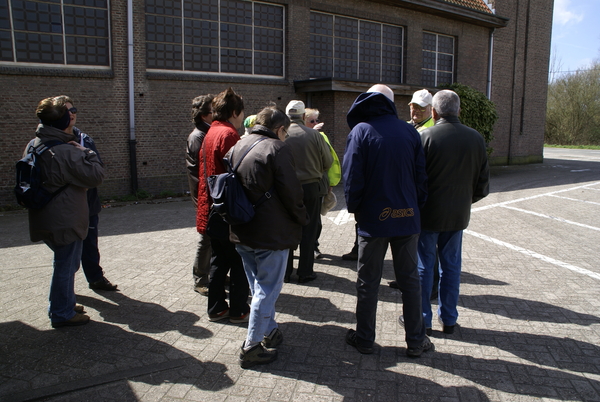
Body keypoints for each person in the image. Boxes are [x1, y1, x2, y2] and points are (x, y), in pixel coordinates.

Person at [342, 84, 433, 358]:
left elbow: (352, 177)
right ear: (392, 103)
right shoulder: (409, 131)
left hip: (373, 220)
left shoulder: (361, 131)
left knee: (368, 281)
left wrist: (356, 209)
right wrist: (415, 207)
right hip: (407, 218)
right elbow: (421, 177)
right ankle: (416, 340)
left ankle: (365, 339)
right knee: (410, 281)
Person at [228, 107, 309, 368]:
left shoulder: (239, 145)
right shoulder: (277, 148)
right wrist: (302, 217)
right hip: (270, 233)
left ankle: (270, 328)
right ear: (280, 129)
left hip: (242, 229)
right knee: (267, 289)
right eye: (285, 132)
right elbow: (291, 191)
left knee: (258, 287)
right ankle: (251, 346)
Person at [26, 96, 105, 328]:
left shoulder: (35, 143)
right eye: (67, 113)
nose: (72, 115)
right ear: (60, 119)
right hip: (65, 218)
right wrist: (85, 151)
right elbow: (96, 175)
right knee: (65, 266)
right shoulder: (66, 150)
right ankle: (61, 312)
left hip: (44, 214)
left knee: (65, 264)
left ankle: (65, 302)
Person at [417, 89, 490, 335]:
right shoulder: (476, 138)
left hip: (428, 215)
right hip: (458, 215)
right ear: (459, 110)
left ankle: (422, 319)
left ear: (434, 112)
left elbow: (415, 180)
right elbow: (482, 184)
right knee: (451, 267)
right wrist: (464, 201)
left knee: (424, 267)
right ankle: (448, 318)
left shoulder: (425, 136)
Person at [196, 87, 250, 323]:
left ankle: (216, 307)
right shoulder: (228, 134)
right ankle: (239, 309)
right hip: (227, 209)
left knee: (220, 259)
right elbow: (238, 173)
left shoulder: (211, 132)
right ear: (235, 112)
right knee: (238, 260)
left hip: (212, 207)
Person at [389, 89, 437, 293]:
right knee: (410, 243)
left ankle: (431, 286)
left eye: (420, 108)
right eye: (413, 106)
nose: (415, 111)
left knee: (425, 246)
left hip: (421, 195)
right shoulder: (411, 127)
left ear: (431, 110)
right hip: (409, 194)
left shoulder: (429, 130)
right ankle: (405, 279)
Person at [283, 100, 333, 283]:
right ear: (304, 116)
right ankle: (305, 272)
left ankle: (285, 272)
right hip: (311, 187)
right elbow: (328, 162)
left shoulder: (280, 134)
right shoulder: (315, 135)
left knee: (287, 229)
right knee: (309, 229)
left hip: (287, 188)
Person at [186, 94, 214, 296]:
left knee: (215, 237)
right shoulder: (198, 137)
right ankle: (200, 279)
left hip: (209, 194)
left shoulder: (208, 132)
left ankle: (213, 272)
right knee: (206, 238)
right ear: (205, 115)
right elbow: (198, 172)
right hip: (205, 196)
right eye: (213, 110)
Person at [304, 108, 341, 259]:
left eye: (316, 120)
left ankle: (313, 247)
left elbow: (329, 161)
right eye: (312, 121)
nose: (316, 123)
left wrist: (330, 182)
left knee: (315, 220)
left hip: (317, 184)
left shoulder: (321, 136)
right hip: (304, 184)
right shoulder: (295, 135)